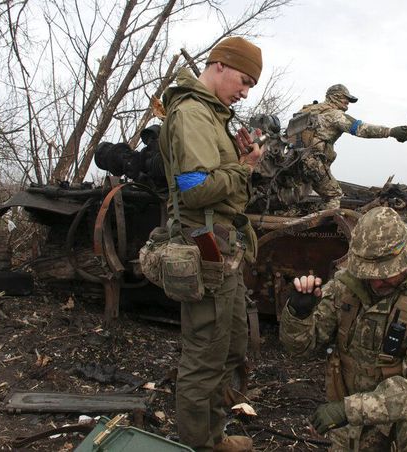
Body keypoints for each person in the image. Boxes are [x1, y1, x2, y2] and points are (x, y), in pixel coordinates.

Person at [279, 206, 407, 451]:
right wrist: (298, 314)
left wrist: (350, 409)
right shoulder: (347, 288)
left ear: (405, 261)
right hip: (355, 419)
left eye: (386, 274)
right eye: (369, 272)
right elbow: (299, 348)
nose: (376, 281)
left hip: (402, 415)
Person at [159, 36, 265, 452]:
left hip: (225, 248)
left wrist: (238, 161)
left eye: (251, 86)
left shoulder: (212, 114)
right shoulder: (191, 114)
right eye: (243, 80)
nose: (244, 92)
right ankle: (200, 446)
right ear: (219, 66)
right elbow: (196, 189)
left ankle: (214, 434)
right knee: (205, 356)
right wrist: (243, 168)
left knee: (232, 344)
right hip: (205, 249)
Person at [289, 84, 407, 210]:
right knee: (334, 195)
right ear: (335, 97)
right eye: (346, 98)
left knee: (294, 197)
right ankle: (325, 225)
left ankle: (293, 216)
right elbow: (361, 129)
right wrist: (391, 132)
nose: (348, 103)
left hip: (293, 161)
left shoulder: (307, 111)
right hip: (312, 163)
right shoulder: (335, 115)